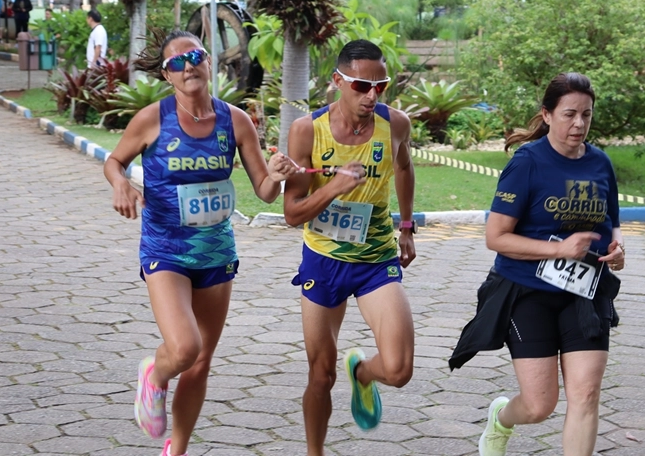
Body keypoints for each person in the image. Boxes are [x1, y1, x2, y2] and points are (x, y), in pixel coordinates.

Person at [104, 30, 297, 456]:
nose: (187, 65)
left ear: (209, 63)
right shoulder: (152, 119)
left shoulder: (235, 120)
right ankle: (154, 374)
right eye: (176, 62)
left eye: (195, 56)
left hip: (216, 252)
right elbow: (114, 160)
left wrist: (278, 175)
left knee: (201, 360)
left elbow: (263, 189)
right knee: (185, 348)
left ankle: (178, 447)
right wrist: (121, 184)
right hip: (165, 249)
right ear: (166, 75)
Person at [448, 73, 626, 456]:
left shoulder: (600, 164)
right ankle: (501, 417)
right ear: (546, 115)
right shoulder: (527, 163)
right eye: (568, 114)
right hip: (528, 292)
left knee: (586, 394)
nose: (578, 124)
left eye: (586, 115)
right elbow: (496, 237)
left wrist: (617, 249)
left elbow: (611, 223)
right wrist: (559, 250)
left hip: (585, 293)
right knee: (539, 405)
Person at [283, 39, 417, 455]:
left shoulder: (394, 124)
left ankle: (362, 373)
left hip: (376, 260)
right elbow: (292, 212)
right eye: (361, 86)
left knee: (398, 369)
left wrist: (408, 225)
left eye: (381, 86)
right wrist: (337, 186)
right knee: (320, 374)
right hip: (322, 261)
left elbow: (404, 166)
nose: (372, 95)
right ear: (338, 81)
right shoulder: (308, 130)